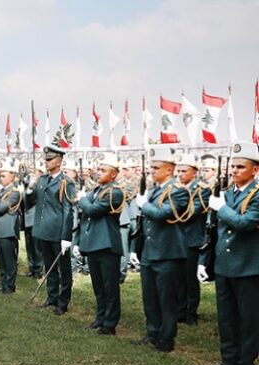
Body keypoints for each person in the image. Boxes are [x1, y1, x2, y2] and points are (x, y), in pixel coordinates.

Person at [202, 141, 259, 365]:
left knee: (249, 319)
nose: (234, 170)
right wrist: (205, 262)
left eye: (240, 166)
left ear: (254, 170)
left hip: (248, 266)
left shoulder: (255, 195)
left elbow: (245, 223)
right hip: (224, 265)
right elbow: (212, 231)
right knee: (226, 316)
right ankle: (229, 359)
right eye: (233, 166)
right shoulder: (226, 193)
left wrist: (222, 209)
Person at [131, 146, 189, 353]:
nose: (152, 171)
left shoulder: (179, 191)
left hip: (168, 252)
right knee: (150, 297)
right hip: (150, 251)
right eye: (151, 168)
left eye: (156, 167)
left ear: (169, 170)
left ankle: (166, 338)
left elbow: (162, 214)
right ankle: (153, 332)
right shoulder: (155, 190)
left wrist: (143, 205)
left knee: (167, 299)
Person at [73, 153, 125, 335]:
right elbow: (84, 217)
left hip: (107, 244)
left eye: (103, 170)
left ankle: (110, 323)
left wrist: (82, 199)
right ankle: (100, 317)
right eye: (98, 169)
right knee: (99, 286)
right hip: (94, 243)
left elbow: (94, 211)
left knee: (110, 287)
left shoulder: (114, 191)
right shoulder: (95, 191)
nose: (98, 173)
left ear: (113, 174)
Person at [25, 145, 75, 315]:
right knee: (49, 267)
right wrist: (29, 189)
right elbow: (31, 203)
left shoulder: (66, 182)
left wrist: (66, 236)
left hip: (58, 231)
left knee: (64, 269)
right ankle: (52, 297)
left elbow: (68, 210)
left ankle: (63, 301)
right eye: (45, 159)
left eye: (50, 159)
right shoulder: (42, 180)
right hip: (43, 230)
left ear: (59, 161)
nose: (46, 162)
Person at [175, 153, 210, 326]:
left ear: (194, 172)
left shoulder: (202, 190)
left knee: (190, 278)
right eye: (178, 170)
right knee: (178, 277)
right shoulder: (175, 188)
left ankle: (191, 312)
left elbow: (191, 212)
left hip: (191, 238)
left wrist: (170, 210)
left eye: (184, 171)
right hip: (177, 238)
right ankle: (180, 309)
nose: (180, 174)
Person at [0, 159, 22, 294]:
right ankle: (3, 284)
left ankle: (10, 286)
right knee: (1, 261)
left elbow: (0, 207)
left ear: (12, 177)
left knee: (9, 261)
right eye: (0, 176)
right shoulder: (3, 191)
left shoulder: (14, 192)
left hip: (8, 231)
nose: (0, 178)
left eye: (4, 176)